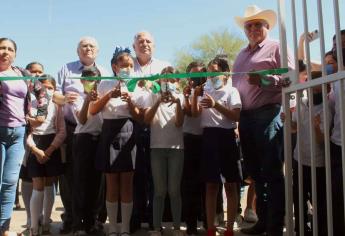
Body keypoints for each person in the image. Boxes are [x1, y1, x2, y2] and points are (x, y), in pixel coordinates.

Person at [232, 5, 294, 236]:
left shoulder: (277, 46)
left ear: (267, 26)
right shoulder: (241, 54)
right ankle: (263, 221)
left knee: (272, 172)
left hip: (268, 114)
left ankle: (275, 226)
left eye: (258, 24)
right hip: (245, 117)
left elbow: (292, 76)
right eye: (249, 25)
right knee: (256, 174)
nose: (253, 28)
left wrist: (265, 81)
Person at [56, 36, 110, 234]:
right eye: (84, 46)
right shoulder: (66, 69)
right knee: (71, 178)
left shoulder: (105, 72)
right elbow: (54, 95)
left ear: (97, 51)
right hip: (72, 128)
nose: (88, 49)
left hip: (100, 132)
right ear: (77, 50)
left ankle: (94, 220)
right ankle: (72, 219)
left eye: (92, 46)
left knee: (98, 179)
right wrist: (65, 99)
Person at [89, 47, 140, 236]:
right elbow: (93, 110)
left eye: (130, 65)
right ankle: (112, 227)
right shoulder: (104, 84)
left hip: (128, 130)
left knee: (127, 183)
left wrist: (130, 102)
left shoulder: (136, 85)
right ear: (115, 67)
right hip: (108, 132)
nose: (127, 68)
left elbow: (141, 116)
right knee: (111, 182)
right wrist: (110, 95)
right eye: (123, 65)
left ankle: (124, 227)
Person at [191, 58, 242, 236]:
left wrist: (216, 105)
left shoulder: (232, 91)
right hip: (209, 138)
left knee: (230, 185)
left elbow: (235, 116)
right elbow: (195, 113)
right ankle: (211, 227)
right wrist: (193, 95)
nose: (211, 76)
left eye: (215, 72)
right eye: (209, 73)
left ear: (225, 73)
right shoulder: (205, 89)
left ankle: (229, 228)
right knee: (211, 185)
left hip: (227, 137)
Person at [130, 31, 171, 232]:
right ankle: (135, 218)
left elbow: (169, 91)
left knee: (157, 176)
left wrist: (152, 87)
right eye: (140, 41)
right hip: (134, 122)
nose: (144, 44)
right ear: (134, 46)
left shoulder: (163, 66)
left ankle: (156, 221)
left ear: (154, 45)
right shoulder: (127, 66)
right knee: (137, 174)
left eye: (148, 41)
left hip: (159, 124)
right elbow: (127, 92)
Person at [143, 66, 184, 236]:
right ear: (160, 81)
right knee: (159, 191)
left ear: (177, 81)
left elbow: (180, 123)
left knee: (174, 190)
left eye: (171, 79)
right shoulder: (152, 96)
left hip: (177, 148)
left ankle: (176, 227)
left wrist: (178, 103)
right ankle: (157, 227)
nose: (168, 82)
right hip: (157, 148)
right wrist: (158, 101)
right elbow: (146, 119)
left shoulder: (180, 97)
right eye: (164, 79)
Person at [26, 75, 66, 236]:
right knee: (38, 185)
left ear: (55, 90)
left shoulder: (57, 107)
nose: (46, 91)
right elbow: (26, 131)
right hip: (34, 146)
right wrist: (36, 150)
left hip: (51, 146)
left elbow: (62, 131)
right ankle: (34, 226)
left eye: (50, 88)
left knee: (50, 184)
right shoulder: (30, 105)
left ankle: (47, 221)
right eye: (43, 87)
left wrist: (49, 150)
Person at [291, 71, 330, 236]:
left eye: (318, 88)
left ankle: (320, 229)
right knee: (299, 197)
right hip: (299, 158)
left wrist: (316, 126)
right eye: (311, 88)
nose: (314, 91)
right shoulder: (302, 103)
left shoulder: (328, 108)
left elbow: (322, 140)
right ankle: (301, 228)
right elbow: (294, 127)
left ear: (326, 88)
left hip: (318, 162)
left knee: (319, 200)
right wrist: (287, 120)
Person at [0, 37, 28, 236]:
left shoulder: (21, 73)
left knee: (10, 183)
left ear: (15, 54)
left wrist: (38, 113)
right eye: (2, 48)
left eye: (10, 49)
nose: (5, 52)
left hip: (18, 132)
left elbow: (42, 92)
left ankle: (4, 228)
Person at [71, 67, 103, 235]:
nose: (93, 83)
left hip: (100, 140)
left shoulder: (103, 97)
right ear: (82, 81)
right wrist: (87, 101)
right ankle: (79, 224)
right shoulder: (77, 97)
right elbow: (82, 119)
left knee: (97, 184)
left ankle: (93, 221)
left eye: (96, 80)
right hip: (83, 139)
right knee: (81, 182)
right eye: (89, 80)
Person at [181, 61, 207, 235]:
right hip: (189, 140)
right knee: (189, 184)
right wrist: (187, 95)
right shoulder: (184, 93)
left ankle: (207, 221)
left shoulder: (211, 92)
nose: (196, 78)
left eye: (200, 75)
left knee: (207, 183)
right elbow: (189, 113)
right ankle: (191, 224)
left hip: (207, 138)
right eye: (193, 75)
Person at [329, 29, 345, 235]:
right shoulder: (332, 80)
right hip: (336, 144)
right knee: (337, 199)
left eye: (343, 44)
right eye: (336, 45)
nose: (339, 48)